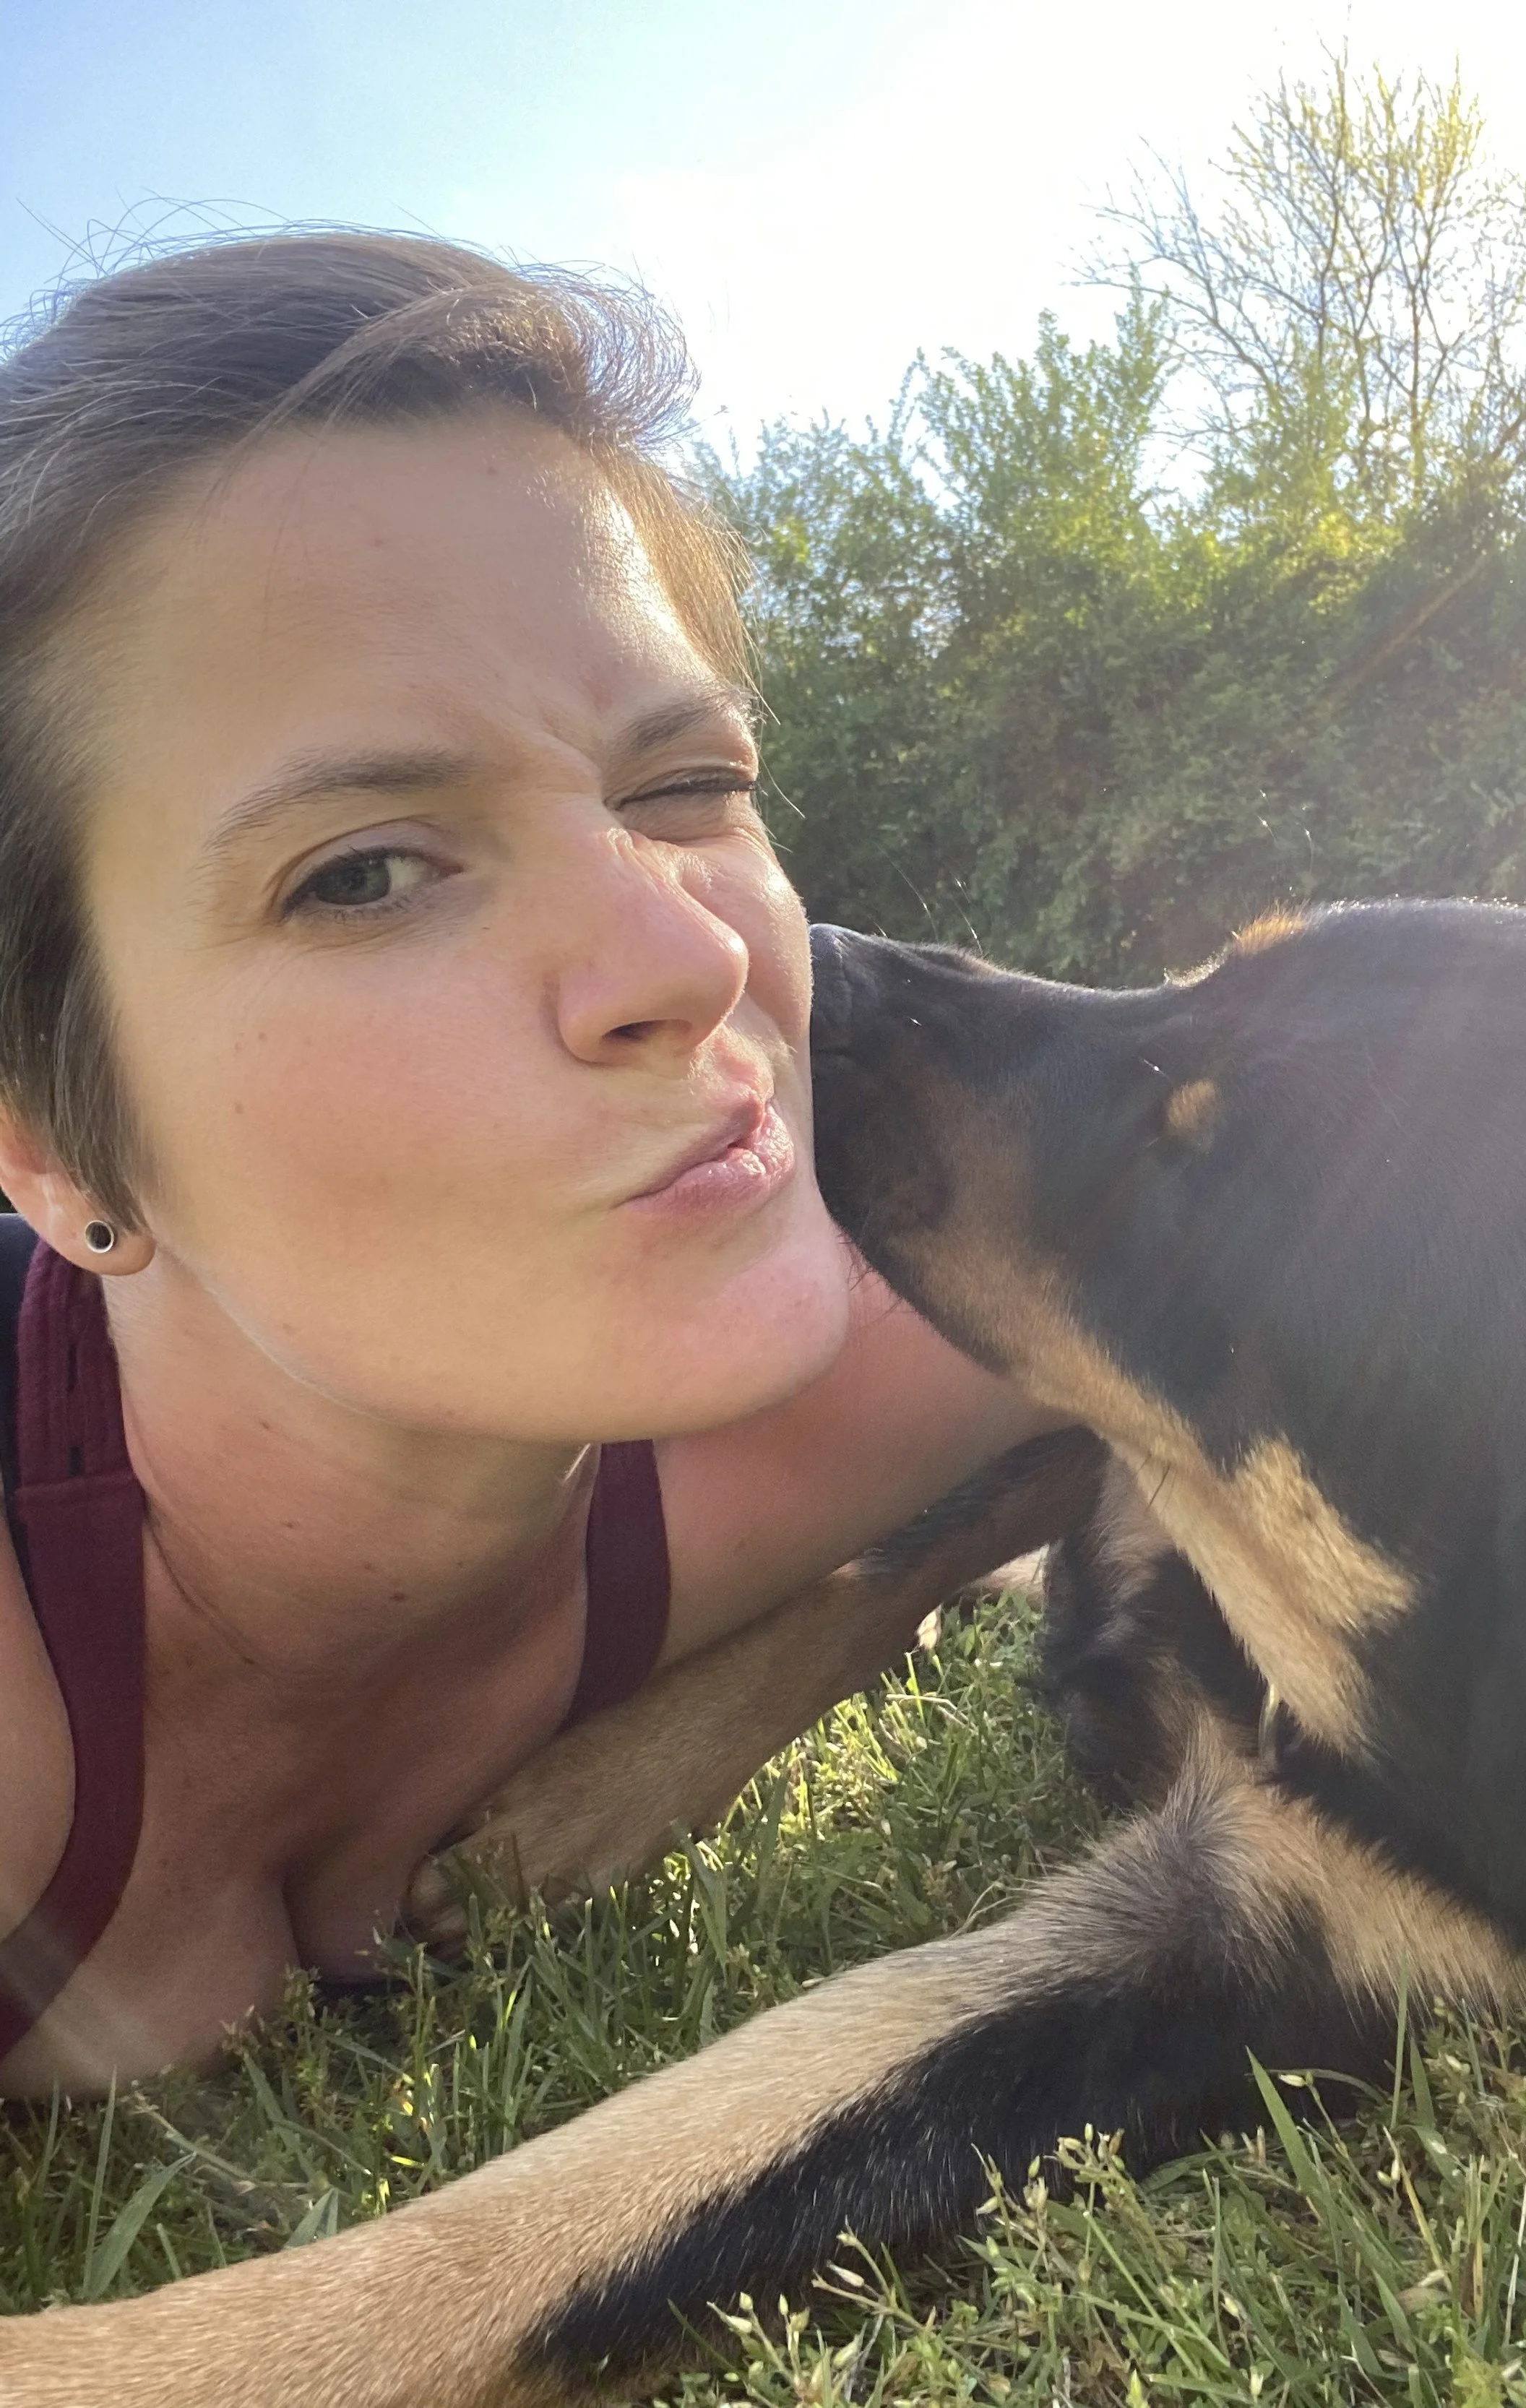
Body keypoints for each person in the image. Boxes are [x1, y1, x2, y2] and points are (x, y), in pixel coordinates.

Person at [0, 230, 1055, 2096]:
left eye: (684, 788)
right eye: (362, 872)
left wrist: (839, 1626)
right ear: (52, 1136)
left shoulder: (885, 1381)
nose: (692, 957)